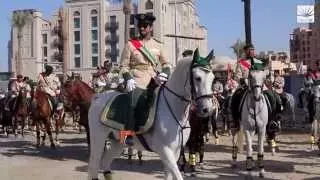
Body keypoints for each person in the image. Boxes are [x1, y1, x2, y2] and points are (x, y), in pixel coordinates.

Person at [119, 13, 171, 145]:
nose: (141, 28)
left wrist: (165, 73)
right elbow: (123, 66)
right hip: (136, 79)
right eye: (140, 26)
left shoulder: (159, 45)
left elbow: (167, 64)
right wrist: (128, 78)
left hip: (154, 79)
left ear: (150, 28)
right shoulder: (131, 44)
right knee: (133, 99)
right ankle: (127, 133)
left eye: (144, 26)